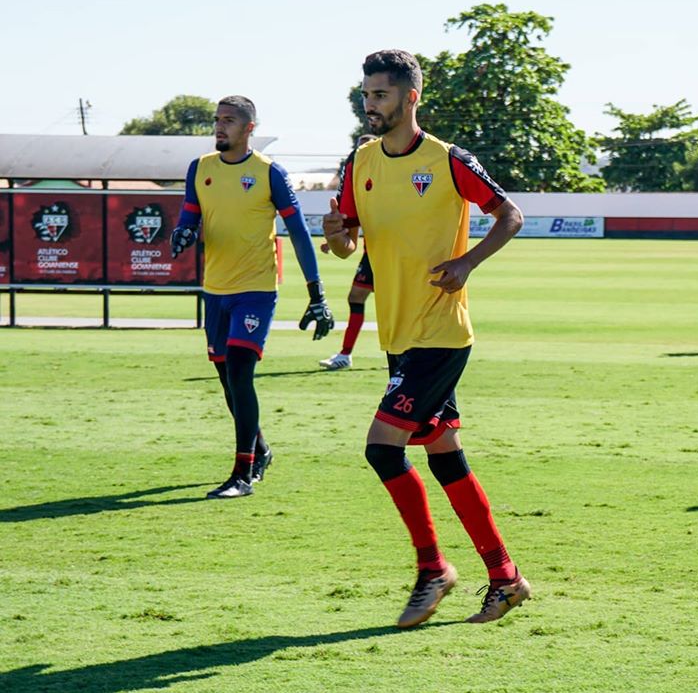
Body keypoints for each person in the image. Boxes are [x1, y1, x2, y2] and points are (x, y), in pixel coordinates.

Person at [323, 50, 530, 627]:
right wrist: (336, 236)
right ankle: (506, 577)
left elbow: (509, 215)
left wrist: (466, 264)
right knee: (444, 456)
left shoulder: (447, 161)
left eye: (381, 96)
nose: (371, 106)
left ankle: (433, 568)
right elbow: (346, 245)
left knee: (382, 447)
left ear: (411, 97)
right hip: (398, 333)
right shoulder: (358, 162)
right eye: (366, 95)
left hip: (442, 330)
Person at [170, 95, 335, 499]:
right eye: (217, 120)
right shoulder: (200, 169)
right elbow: (188, 216)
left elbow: (298, 234)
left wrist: (317, 294)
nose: (219, 127)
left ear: (249, 129)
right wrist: (182, 233)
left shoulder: (270, 173)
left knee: (241, 373)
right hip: (215, 291)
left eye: (229, 121)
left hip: (256, 290)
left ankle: (241, 474)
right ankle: (260, 449)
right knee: (228, 380)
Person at [320, 133, 379, 371]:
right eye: (357, 149)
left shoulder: (391, 176)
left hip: (399, 255)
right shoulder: (356, 183)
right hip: (372, 255)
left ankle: (406, 352)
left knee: (397, 305)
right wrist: (334, 240)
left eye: (365, 148)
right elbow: (351, 226)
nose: (360, 153)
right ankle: (345, 353)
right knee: (355, 297)